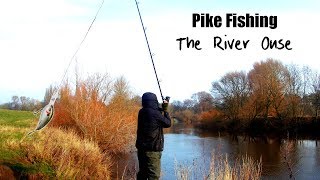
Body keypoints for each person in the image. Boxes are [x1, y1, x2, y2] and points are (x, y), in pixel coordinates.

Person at [136, 92, 171, 180]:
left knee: (142, 174)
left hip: (141, 149)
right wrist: (165, 110)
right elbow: (168, 123)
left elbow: (153, 111)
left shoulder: (141, 112)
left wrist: (161, 108)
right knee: (154, 176)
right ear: (154, 101)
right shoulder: (155, 114)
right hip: (152, 151)